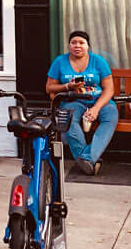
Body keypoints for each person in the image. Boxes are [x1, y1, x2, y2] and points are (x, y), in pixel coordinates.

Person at [46, 29, 116, 176]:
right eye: (73, 42)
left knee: (110, 116)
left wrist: (96, 109)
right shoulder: (60, 61)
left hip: (98, 100)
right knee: (68, 118)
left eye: (81, 42)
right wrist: (67, 86)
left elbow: (109, 89)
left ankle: (86, 158)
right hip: (73, 101)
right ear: (69, 45)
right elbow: (49, 88)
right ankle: (89, 161)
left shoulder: (98, 61)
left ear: (88, 46)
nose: (77, 45)